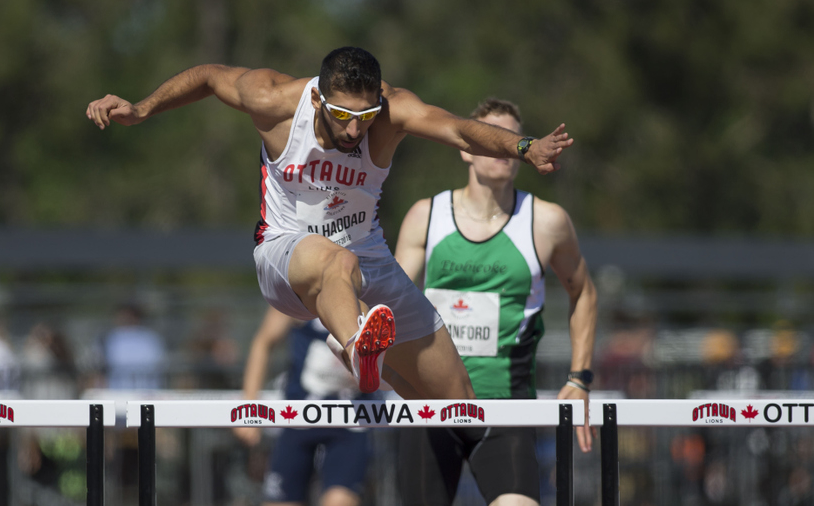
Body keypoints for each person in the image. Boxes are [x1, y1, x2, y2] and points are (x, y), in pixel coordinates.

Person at [86, 47, 574, 398]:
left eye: (365, 117)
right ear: (319, 99)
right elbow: (212, 77)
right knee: (334, 261)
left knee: (458, 400)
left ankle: (369, 358)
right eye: (342, 115)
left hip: (369, 256)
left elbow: (455, 127)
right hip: (285, 254)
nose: (353, 130)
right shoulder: (275, 100)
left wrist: (524, 147)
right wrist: (143, 107)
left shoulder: (390, 112)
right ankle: (355, 344)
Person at [393, 98, 597, 506]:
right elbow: (390, 301)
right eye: (494, 139)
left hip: (505, 410)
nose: (505, 148)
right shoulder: (426, 216)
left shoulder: (546, 221)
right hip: (432, 406)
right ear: (466, 149)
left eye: (513, 141)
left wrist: (578, 379)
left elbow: (584, 293)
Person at [233, 306, 373, 506]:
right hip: (299, 415)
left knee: (339, 501)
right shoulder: (300, 293)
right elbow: (263, 342)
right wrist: (248, 407)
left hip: (352, 417)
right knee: (280, 501)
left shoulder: (369, 290)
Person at [101, 302, 166, 390]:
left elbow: (156, 363)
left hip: (147, 391)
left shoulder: (150, 338)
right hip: (118, 391)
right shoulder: (111, 337)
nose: (125, 319)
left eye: (129, 316)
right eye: (122, 316)